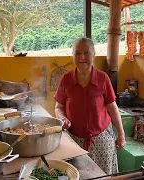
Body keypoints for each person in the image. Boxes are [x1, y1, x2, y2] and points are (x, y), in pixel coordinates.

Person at [54, 37, 126, 174]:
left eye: (87, 53)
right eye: (77, 53)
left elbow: (112, 108)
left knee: (103, 176)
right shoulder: (66, 79)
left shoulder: (103, 78)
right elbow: (59, 107)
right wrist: (63, 118)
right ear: (73, 55)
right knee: (77, 175)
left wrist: (121, 135)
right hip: (74, 142)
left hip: (101, 141)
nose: (82, 57)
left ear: (94, 55)